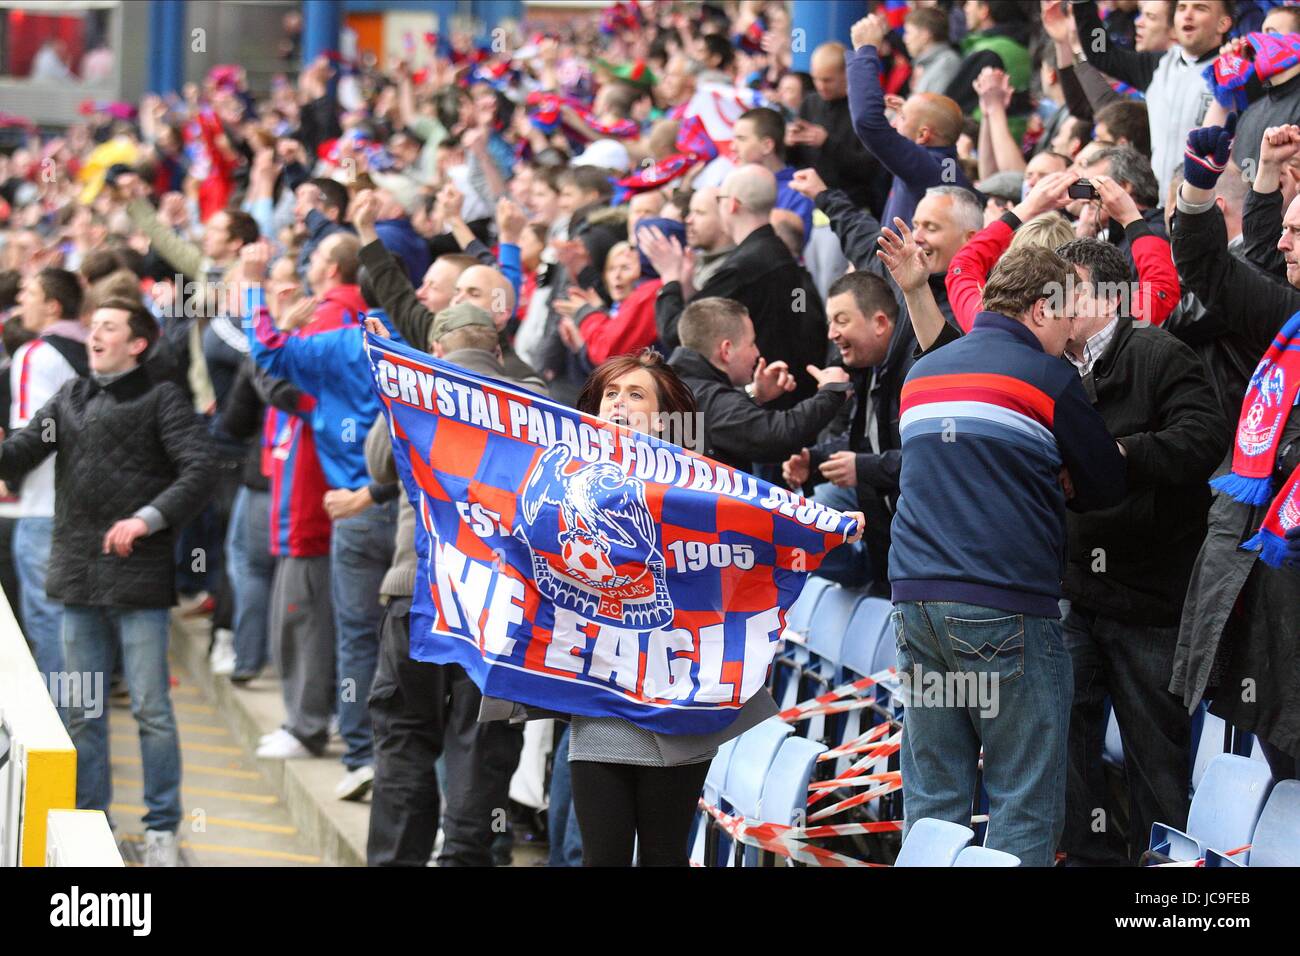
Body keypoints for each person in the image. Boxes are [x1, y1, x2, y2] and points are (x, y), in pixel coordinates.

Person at [559, 348, 863, 865]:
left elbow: (761, 523)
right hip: (602, 695)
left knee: (663, 854)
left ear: (664, 417)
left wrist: (827, 527)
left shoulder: (700, 483)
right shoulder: (563, 479)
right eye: (611, 392)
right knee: (601, 857)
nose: (618, 403)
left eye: (635, 394)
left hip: (679, 694)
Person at [888, 246, 1126, 867]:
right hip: (1005, 605)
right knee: (1023, 798)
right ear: (1042, 307)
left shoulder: (925, 373)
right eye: (1069, 315)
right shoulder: (1046, 378)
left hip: (915, 601)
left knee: (935, 795)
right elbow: (1106, 484)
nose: (1074, 332)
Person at [0, 298, 213, 866]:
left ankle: (164, 830)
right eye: (92, 325)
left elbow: (201, 469)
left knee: (149, 709)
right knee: (81, 709)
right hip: (76, 574)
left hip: (138, 577)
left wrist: (146, 519)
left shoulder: (163, 398)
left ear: (136, 343)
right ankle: (92, 823)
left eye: (108, 327)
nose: (94, 333)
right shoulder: (70, 397)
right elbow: (19, 454)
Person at [1048, 237, 1225, 865]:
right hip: (1075, 593)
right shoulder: (1049, 368)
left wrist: (1120, 455)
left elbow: (1204, 438)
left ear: (1099, 294)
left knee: (1157, 764)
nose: (1048, 304)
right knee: (1064, 746)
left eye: (1059, 289)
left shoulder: (1160, 353)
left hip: (1151, 602)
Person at [365, 302, 542, 866]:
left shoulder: (415, 390)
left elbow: (376, 465)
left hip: (416, 592)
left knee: (404, 741)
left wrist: (405, 376)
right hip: (500, 604)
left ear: (435, 348)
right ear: (497, 350)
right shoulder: (532, 400)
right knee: (481, 745)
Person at [1171, 115, 1300, 783]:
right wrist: (1202, 187)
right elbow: (1212, 267)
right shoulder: (1286, 318)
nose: (1285, 241)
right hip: (1267, 578)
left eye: (1299, 232)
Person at [650, 164, 827, 408]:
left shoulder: (744, 268)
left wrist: (669, 277)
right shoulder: (778, 254)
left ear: (731, 204)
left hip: (762, 406)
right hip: (783, 398)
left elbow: (676, 332)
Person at [784, 270, 914, 592]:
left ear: (880, 323)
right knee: (795, 524)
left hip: (918, 552)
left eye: (841, 321)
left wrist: (862, 468)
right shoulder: (870, 367)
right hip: (887, 546)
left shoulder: (915, 369)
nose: (831, 334)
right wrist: (813, 460)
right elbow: (868, 440)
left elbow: (928, 457)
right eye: (830, 322)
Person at [1067, 0, 1235, 199]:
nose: (1188, 14)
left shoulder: (1234, 71)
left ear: (1223, 24)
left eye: (1200, 8)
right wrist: (1083, 4)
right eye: (1182, 8)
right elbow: (1101, 52)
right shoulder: (1156, 65)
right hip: (1159, 200)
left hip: (1211, 202)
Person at [668, 296, 852, 472]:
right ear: (726, 350)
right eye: (751, 343)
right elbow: (778, 437)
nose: (757, 353)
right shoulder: (708, 400)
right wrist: (832, 392)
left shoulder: (675, 383)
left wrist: (754, 394)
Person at [9, 268, 87, 683]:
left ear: (53, 306)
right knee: (75, 625)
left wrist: (6, 469)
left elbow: (35, 433)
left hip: (43, 506)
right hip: (89, 506)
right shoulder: (96, 348)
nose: (21, 299)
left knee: (47, 622)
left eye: (29, 292)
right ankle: (79, 732)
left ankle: (58, 736)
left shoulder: (36, 355)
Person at [848, 14, 972, 230]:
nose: (894, 124)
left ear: (924, 135)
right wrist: (913, 113)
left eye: (901, 118)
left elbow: (867, 121)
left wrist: (865, 51)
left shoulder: (926, 165)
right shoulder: (946, 164)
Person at [784, 42, 889, 218]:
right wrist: (789, 144)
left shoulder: (863, 109)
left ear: (846, 74)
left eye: (827, 80)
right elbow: (797, 161)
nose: (820, 85)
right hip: (809, 204)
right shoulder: (810, 103)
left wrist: (827, 143)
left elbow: (870, 167)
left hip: (849, 207)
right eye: (816, 79)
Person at [904, 5, 962, 95]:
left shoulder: (947, 64)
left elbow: (935, 107)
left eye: (908, 32)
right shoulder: (931, 64)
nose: (905, 39)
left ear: (925, 34)